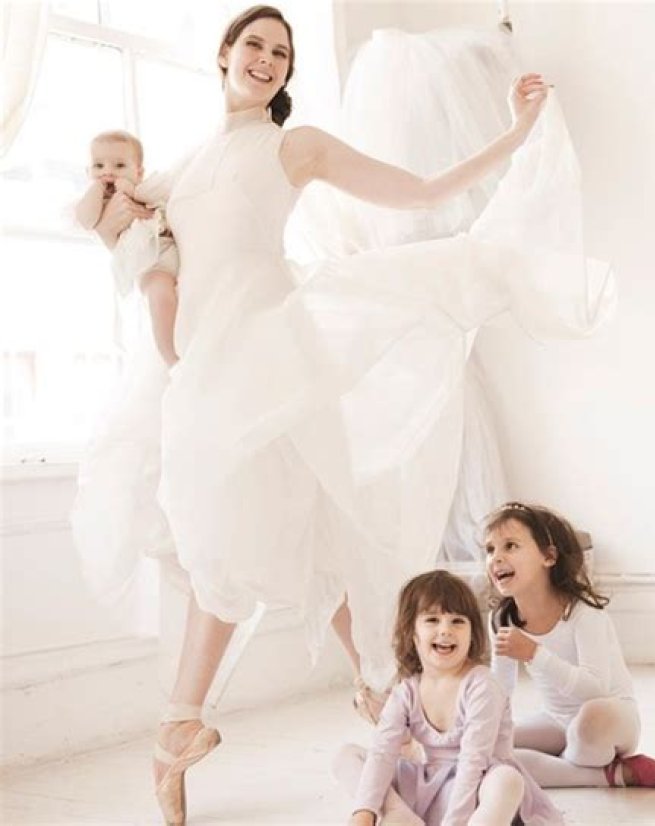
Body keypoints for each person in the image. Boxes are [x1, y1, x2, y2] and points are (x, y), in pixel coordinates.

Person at [71, 6, 615, 823]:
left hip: (274, 357)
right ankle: (330, 702)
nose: (266, 59)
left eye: (280, 52)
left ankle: (335, 701)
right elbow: (113, 227)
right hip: (204, 368)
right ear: (224, 54)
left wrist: (514, 132)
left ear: (286, 73)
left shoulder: (296, 147)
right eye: (254, 44)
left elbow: (423, 190)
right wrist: (112, 200)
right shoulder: (183, 166)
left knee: (306, 529)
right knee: (243, 533)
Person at [334, 570, 564, 826]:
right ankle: (399, 814)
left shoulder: (482, 685)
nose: (445, 630)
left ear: (472, 633)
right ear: (411, 632)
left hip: (479, 791)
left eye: (457, 621)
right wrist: (364, 813)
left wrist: (454, 822)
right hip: (435, 788)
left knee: (507, 780)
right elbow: (382, 751)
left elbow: (474, 762)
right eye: (432, 620)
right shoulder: (407, 690)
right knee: (348, 756)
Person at [484, 502, 655, 789]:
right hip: (556, 721)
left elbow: (596, 689)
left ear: (548, 557)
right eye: (489, 549)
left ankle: (564, 763)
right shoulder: (501, 619)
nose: (496, 557)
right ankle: (611, 775)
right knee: (487, 746)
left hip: (608, 718)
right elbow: (501, 688)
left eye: (510, 546)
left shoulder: (584, 614)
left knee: (589, 723)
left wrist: (534, 653)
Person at [76, 130, 180, 366]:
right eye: (98, 166)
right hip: (151, 264)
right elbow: (85, 220)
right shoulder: (97, 203)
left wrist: (133, 190)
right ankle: (172, 359)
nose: (108, 172)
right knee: (160, 296)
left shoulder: (144, 190)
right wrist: (96, 188)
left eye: (119, 165)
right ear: (88, 171)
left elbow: (166, 198)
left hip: (174, 250)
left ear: (139, 172)